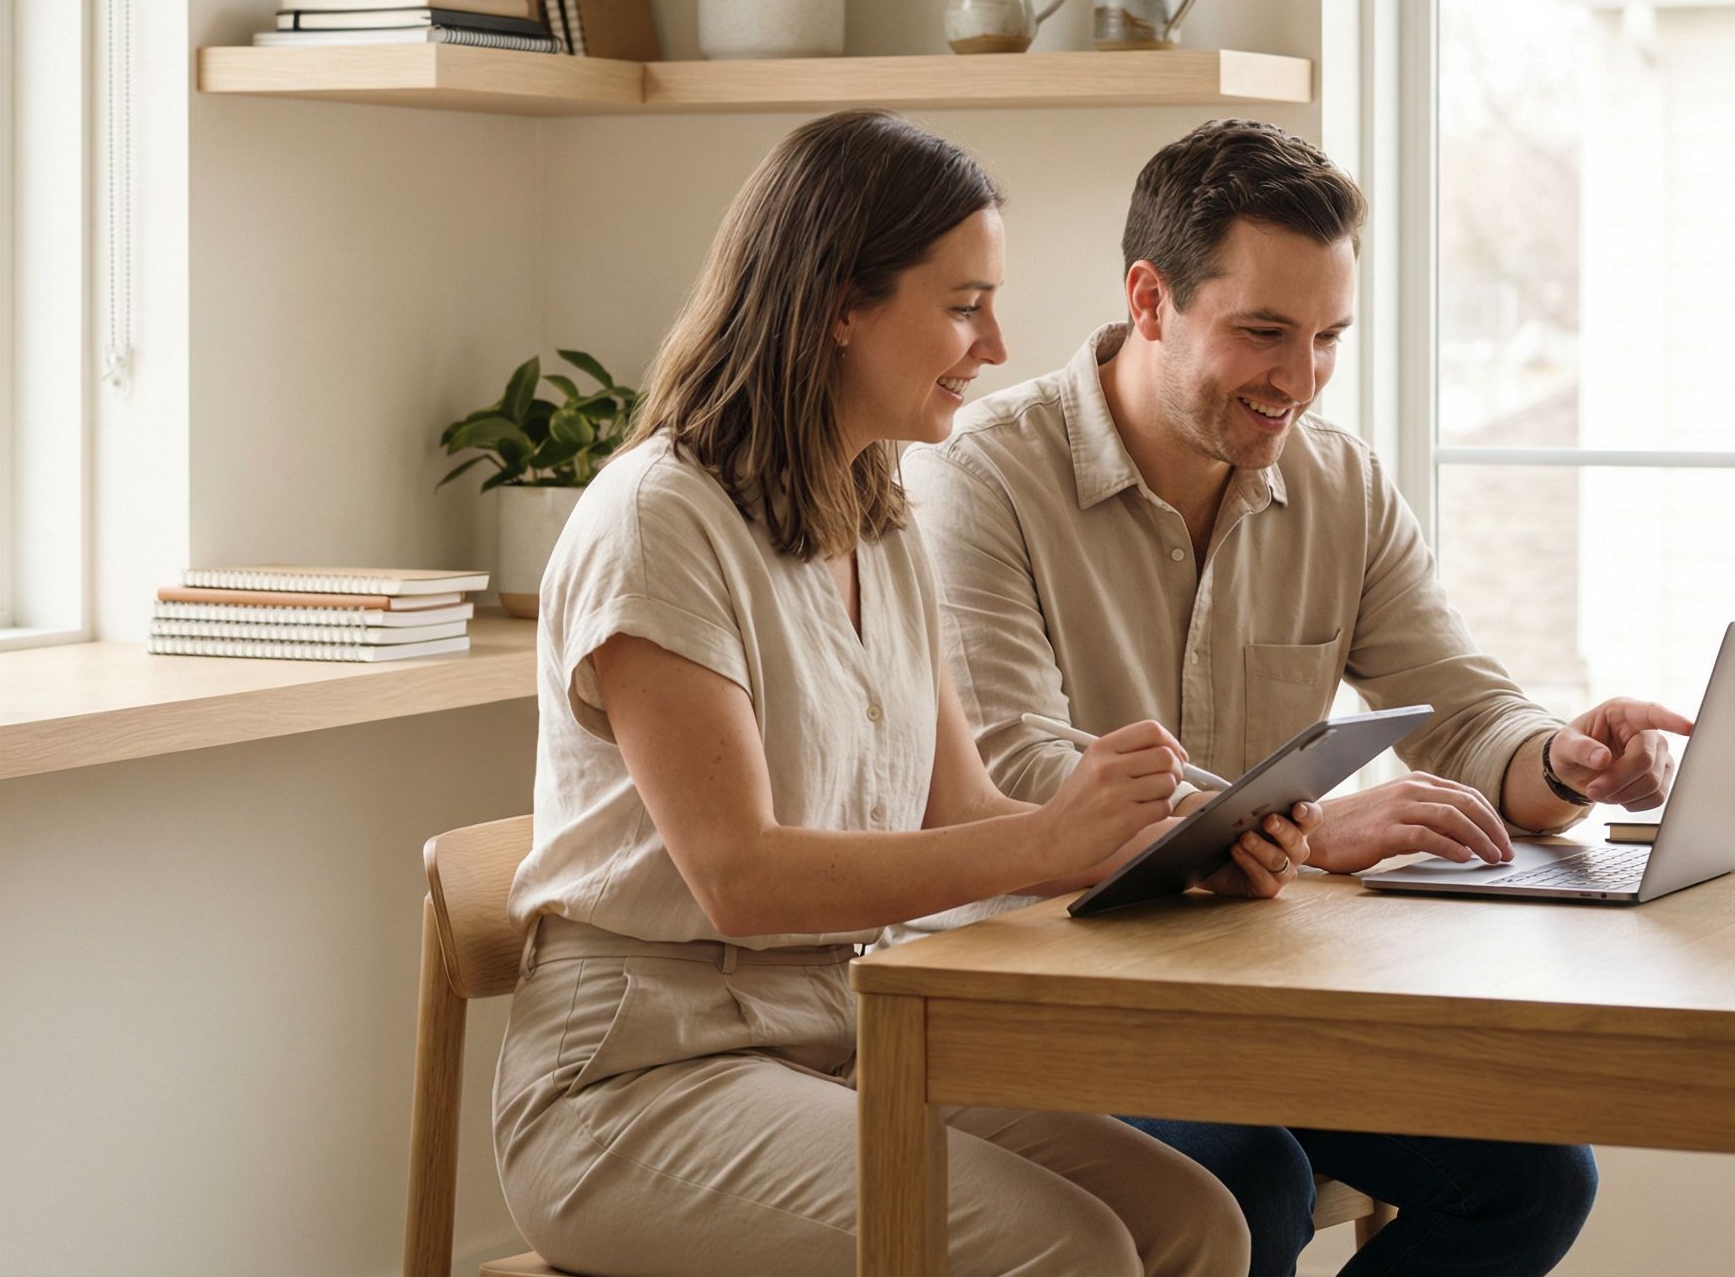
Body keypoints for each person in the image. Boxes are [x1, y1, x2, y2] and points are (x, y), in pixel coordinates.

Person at [495, 110, 1314, 1277]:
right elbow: (739, 877)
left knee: (1200, 1222)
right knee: (1070, 1251)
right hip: (635, 1081)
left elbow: (960, 811)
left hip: (842, 1032)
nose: (997, 344)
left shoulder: (876, 517)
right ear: (842, 303)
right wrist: (1053, 836)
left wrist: (1165, 849)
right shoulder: (658, 522)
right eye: (965, 304)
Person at [903, 119, 1695, 1277]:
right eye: (1264, 332)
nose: (1301, 378)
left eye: (1329, 338)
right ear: (1150, 300)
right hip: (1036, 996)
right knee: (1249, 1178)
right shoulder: (976, 473)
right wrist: (1310, 828)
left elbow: (1465, 713)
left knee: (1534, 1176)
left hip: (1251, 998)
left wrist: (1563, 759)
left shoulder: (1338, 481)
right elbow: (1016, 775)